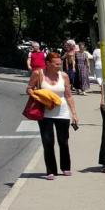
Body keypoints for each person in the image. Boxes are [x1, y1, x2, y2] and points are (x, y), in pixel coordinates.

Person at [27, 52, 79, 180]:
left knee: (63, 141)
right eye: (56, 64)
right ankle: (51, 171)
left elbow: (68, 95)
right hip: (45, 113)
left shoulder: (64, 76)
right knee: (48, 142)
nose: (59, 66)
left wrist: (74, 113)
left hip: (62, 112)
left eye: (60, 63)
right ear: (48, 63)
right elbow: (29, 88)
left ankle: (65, 167)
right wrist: (37, 94)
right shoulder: (38, 74)